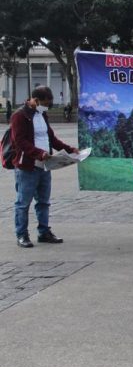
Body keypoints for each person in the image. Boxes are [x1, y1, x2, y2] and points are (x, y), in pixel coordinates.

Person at [10, 86, 78, 248]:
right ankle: (22, 235)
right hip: (27, 165)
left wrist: (70, 150)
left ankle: (44, 232)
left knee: (43, 201)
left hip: (45, 165)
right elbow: (19, 141)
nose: (47, 106)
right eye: (45, 103)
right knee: (23, 202)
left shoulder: (42, 114)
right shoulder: (20, 116)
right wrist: (38, 153)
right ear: (35, 100)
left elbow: (51, 139)